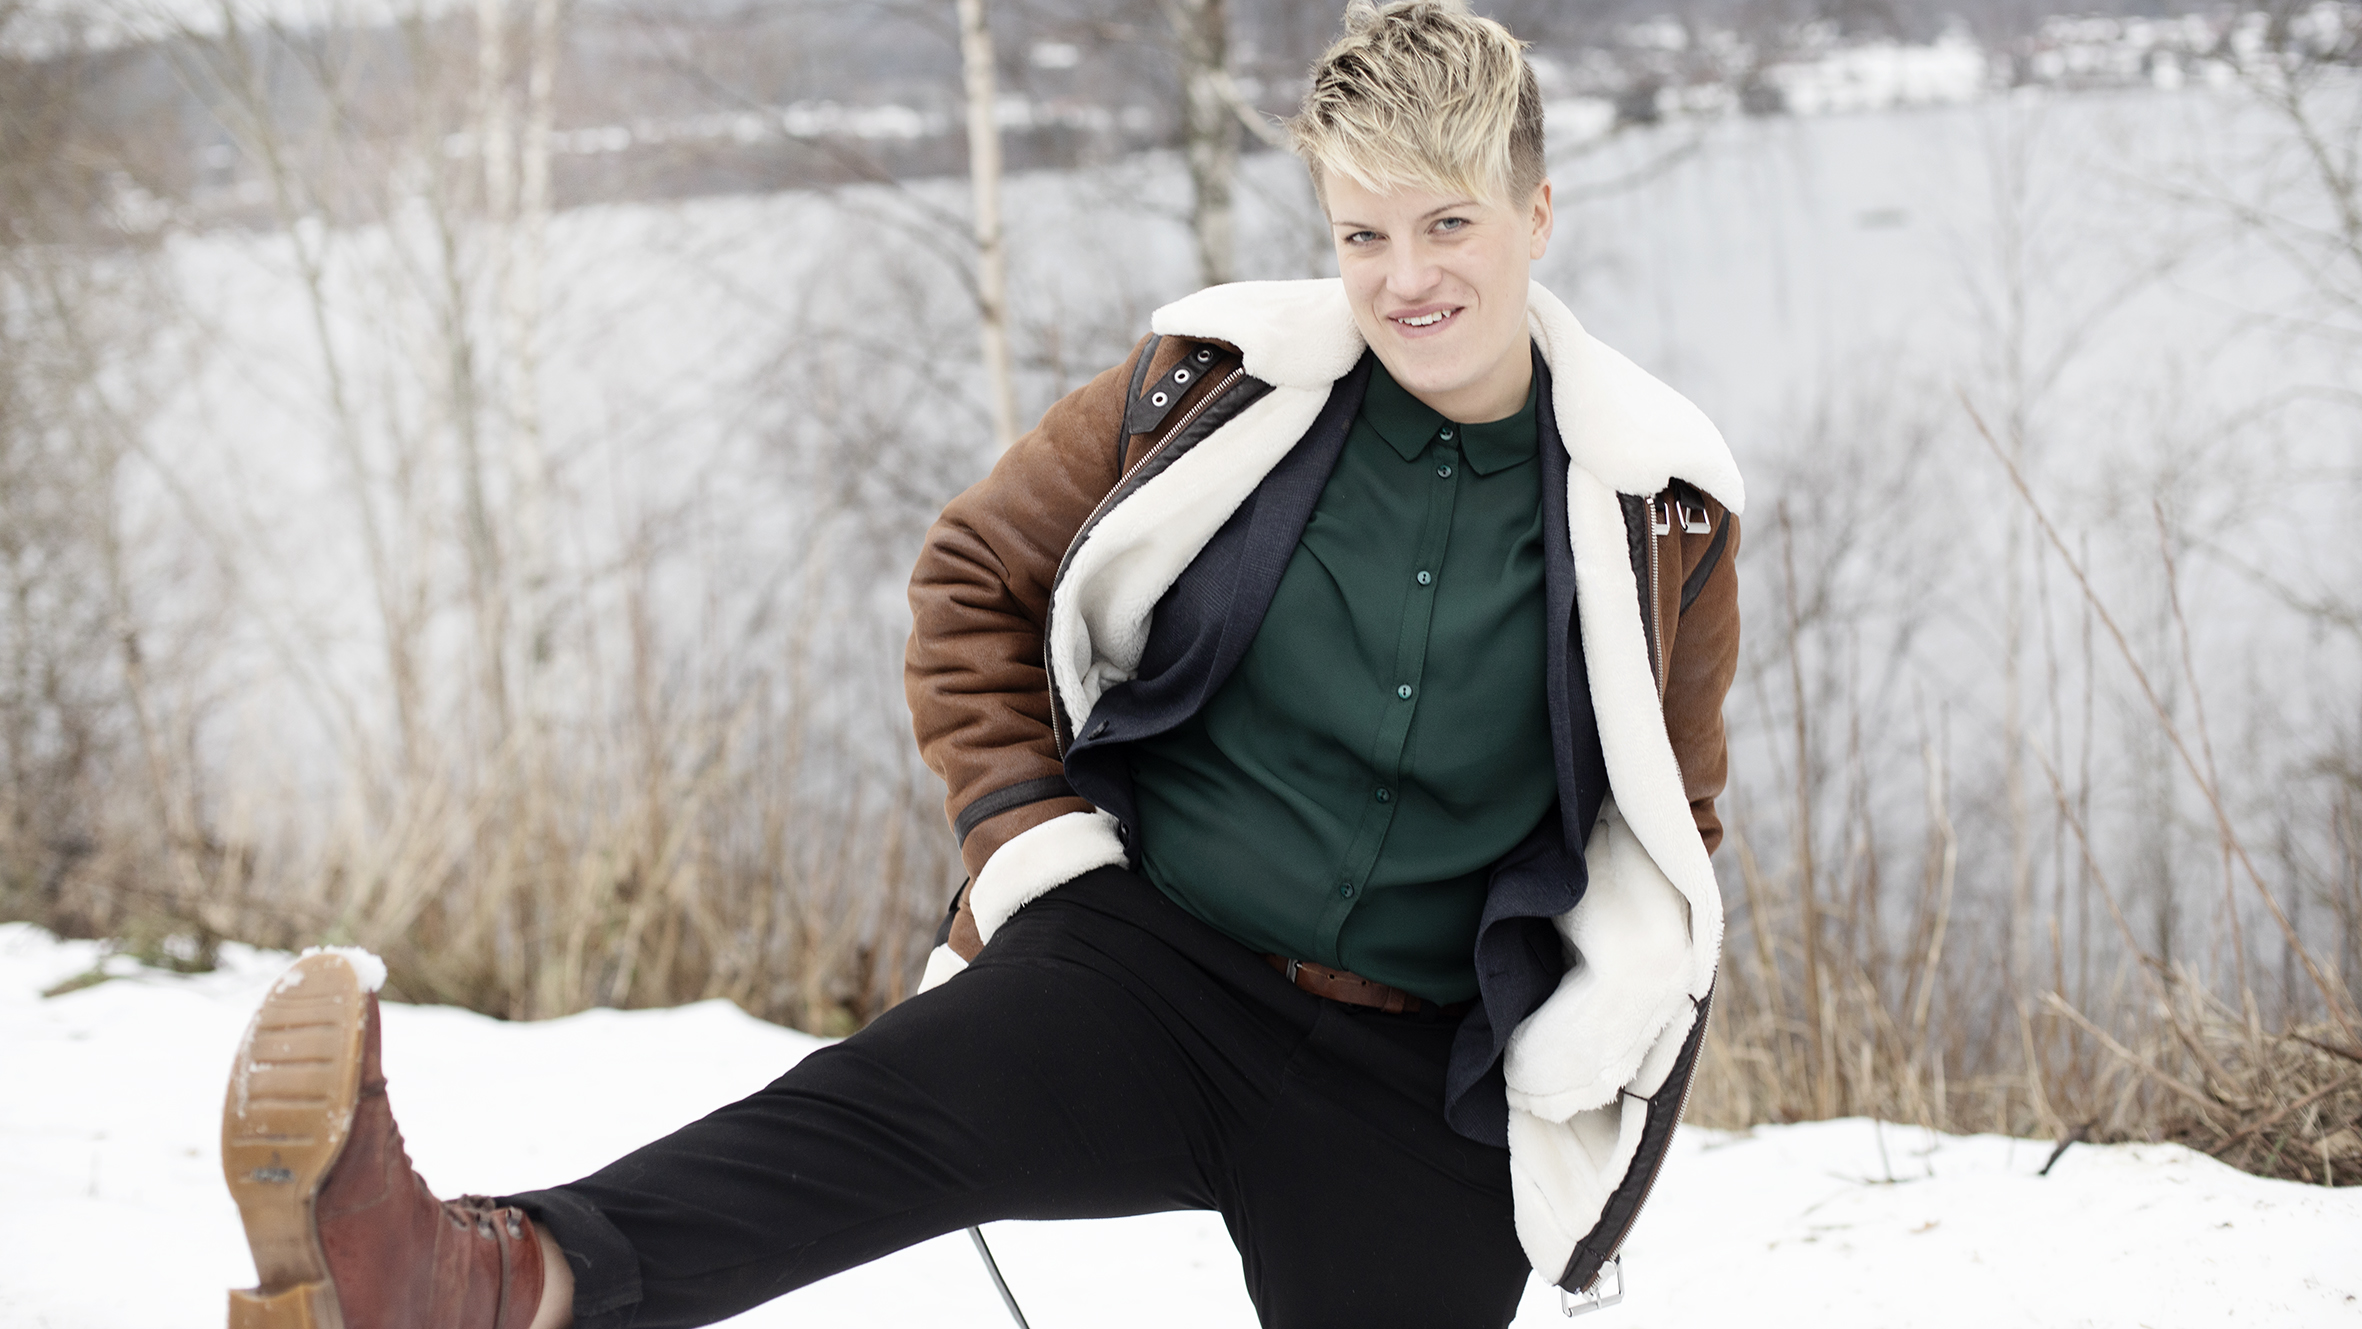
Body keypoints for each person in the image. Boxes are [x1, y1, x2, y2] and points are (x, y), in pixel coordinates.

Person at [216, 4, 1743, 1327]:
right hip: (1145, 971)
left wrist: (1588, 1035)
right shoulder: (1211, 387)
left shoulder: (1657, 508)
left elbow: (1667, 825)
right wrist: (1026, 841)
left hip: (1413, 1081)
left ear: (1535, 212)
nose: (1405, 277)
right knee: (844, 1127)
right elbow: (972, 575)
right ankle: (456, 1282)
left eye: (1447, 225)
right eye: (1363, 234)